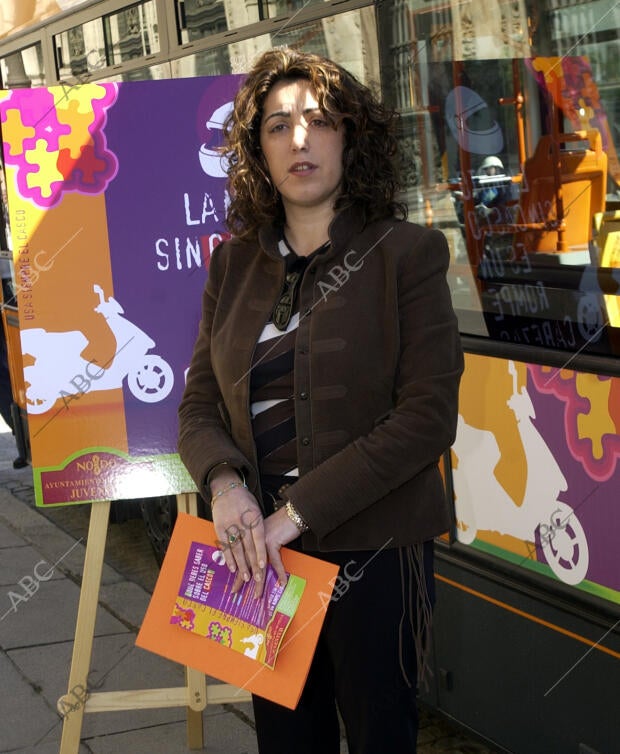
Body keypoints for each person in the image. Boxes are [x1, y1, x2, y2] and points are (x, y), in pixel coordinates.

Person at [178, 48, 463, 754]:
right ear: (257, 152)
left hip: (374, 557)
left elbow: (427, 418)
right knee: (286, 740)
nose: (298, 139)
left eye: (318, 120)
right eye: (277, 126)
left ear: (350, 137)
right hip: (260, 564)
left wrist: (291, 517)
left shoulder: (407, 253)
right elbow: (198, 404)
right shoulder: (233, 263)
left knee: (379, 737)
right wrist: (225, 487)